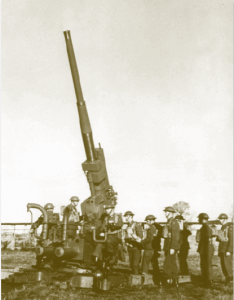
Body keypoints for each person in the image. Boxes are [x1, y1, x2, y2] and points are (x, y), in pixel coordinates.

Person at [162, 206, 180, 286]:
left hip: (171, 246)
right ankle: (175, 281)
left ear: (170, 213)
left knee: (167, 264)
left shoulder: (174, 222)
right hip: (168, 246)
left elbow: (175, 236)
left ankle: (168, 280)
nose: (165, 213)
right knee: (172, 263)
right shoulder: (169, 221)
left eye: (166, 212)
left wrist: (172, 247)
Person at [197, 213, 214, 288]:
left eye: (199, 219)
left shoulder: (206, 227)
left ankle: (209, 282)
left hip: (207, 250)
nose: (198, 220)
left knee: (207, 265)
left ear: (203, 219)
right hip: (205, 249)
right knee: (205, 265)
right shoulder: (204, 227)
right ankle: (206, 281)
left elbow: (207, 240)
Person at [217, 213, 233, 284]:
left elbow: (232, 240)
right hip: (222, 249)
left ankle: (231, 280)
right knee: (223, 265)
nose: (220, 220)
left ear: (225, 219)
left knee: (227, 265)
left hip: (226, 249)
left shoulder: (230, 227)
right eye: (219, 219)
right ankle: (227, 279)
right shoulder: (223, 227)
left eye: (221, 219)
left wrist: (229, 250)